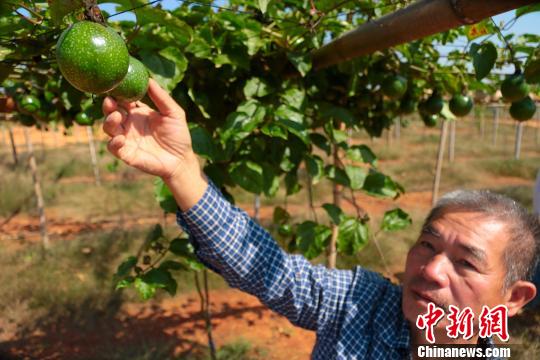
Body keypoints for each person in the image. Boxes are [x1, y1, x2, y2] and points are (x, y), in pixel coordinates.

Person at [102, 80, 539, 359]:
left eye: (466, 262)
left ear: (514, 298)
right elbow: (270, 271)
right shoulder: (360, 305)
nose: (430, 271)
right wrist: (182, 172)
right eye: (427, 245)